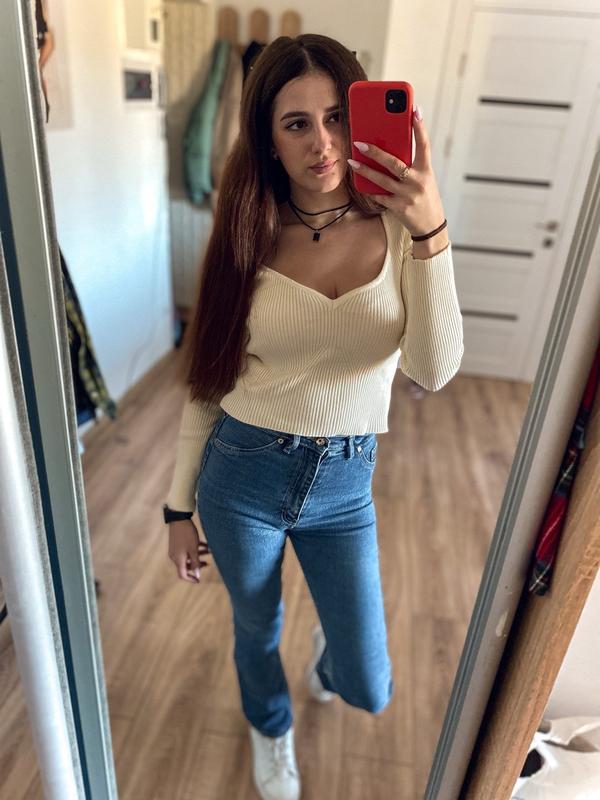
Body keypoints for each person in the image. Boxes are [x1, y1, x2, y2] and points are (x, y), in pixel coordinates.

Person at [163, 33, 464, 800]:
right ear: (268, 138)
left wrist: (431, 230)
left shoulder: (402, 228)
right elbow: (207, 382)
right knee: (255, 627)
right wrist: (177, 507)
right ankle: (271, 728)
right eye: (296, 123)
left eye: (337, 117)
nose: (322, 143)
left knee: (368, 683)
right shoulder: (245, 231)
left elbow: (434, 370)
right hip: (242, 475)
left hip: (344, 486)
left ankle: (332, 640)